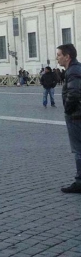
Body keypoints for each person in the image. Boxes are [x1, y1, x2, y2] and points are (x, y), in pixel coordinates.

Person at [56, 44, 81, 193]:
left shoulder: (73, 71)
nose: (57, 58)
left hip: (76, 116)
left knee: (78, 150)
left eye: (59, 55)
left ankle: (80, 182)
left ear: (67, 56)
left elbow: (74, 93)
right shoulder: (76, 69)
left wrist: (67, 109)